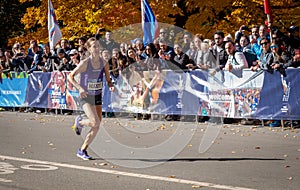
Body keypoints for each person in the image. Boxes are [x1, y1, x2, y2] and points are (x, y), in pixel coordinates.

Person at [68, 37, 114, 160]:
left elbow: (108, 78)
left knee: (97, 125)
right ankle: (80, 122)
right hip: (86, 96)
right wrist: (79, 88)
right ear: (88, 48)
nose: (97, 48)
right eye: (94, 46)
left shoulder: (104, 62)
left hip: (97, 95)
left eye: (98, 46)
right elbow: (70, 76)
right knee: (94, 122)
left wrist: (110, 85)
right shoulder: (84, 63)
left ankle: (82, 149)